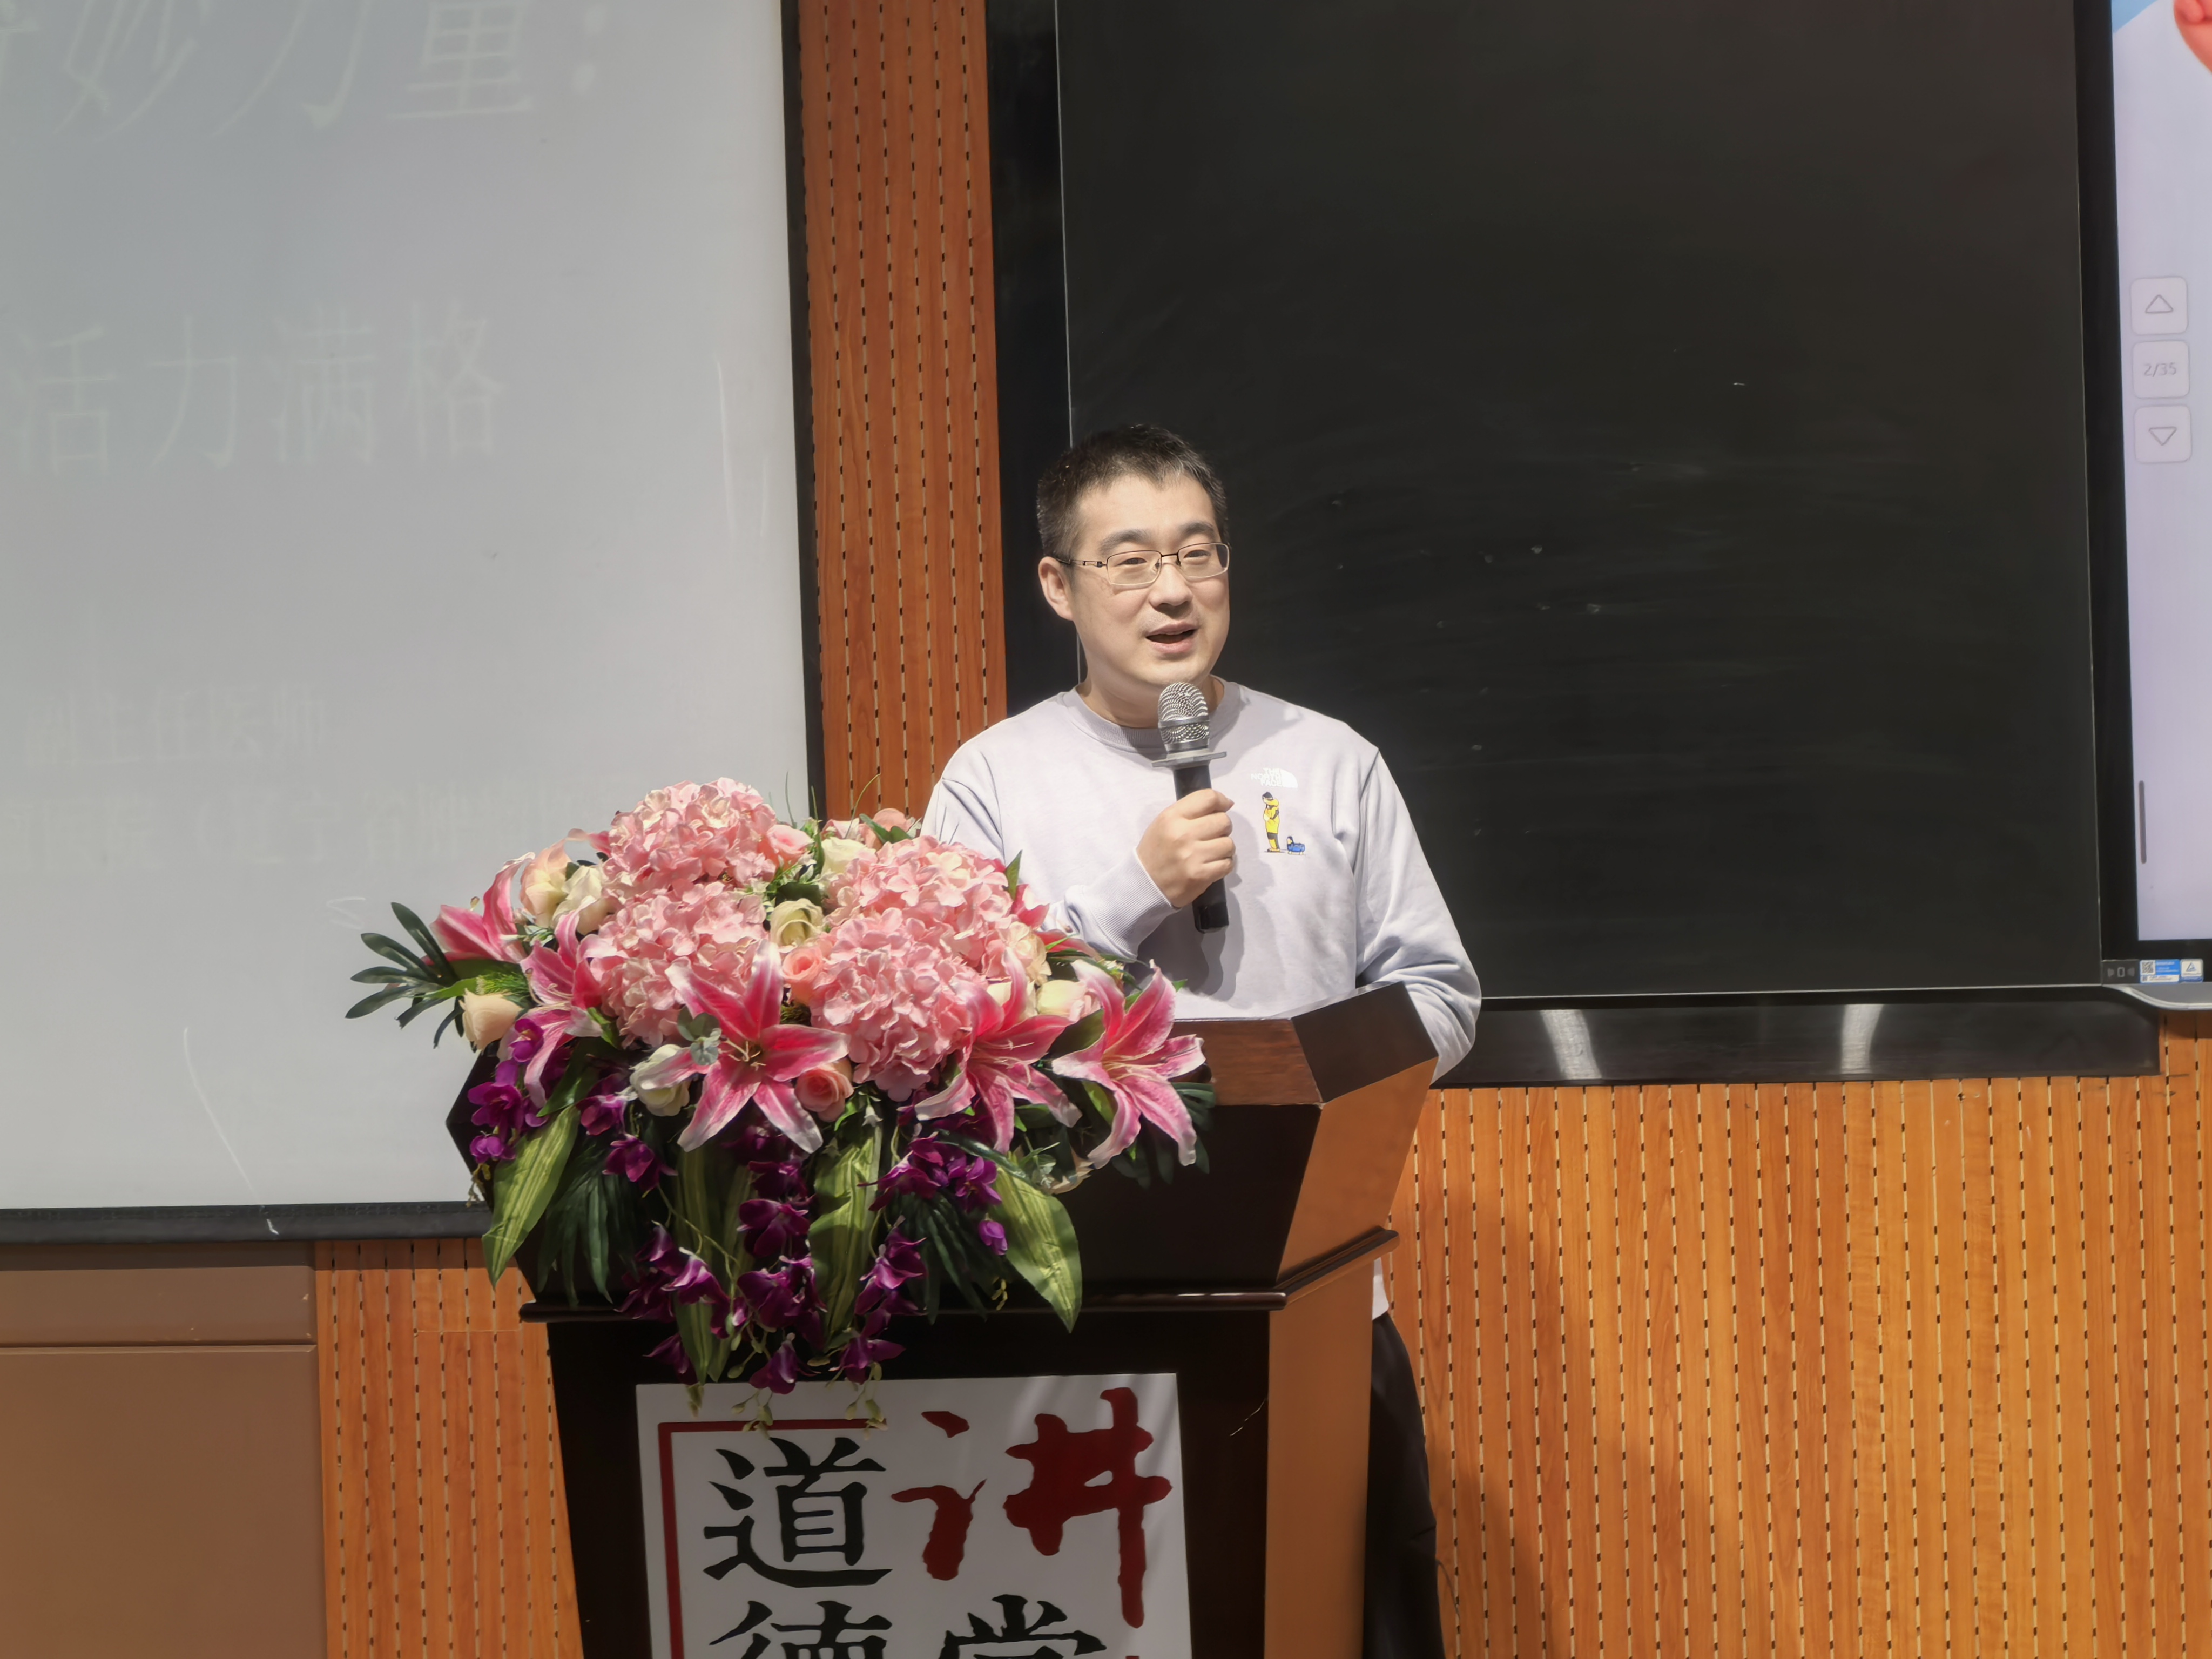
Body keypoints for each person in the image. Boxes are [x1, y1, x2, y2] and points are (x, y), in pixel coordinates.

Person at [921, 423, 1478, 1657]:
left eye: (1197, 554)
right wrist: (1133, 895)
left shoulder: (1328, 762)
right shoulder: (992, 780)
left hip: (1315, 1290)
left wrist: (1308, 1078)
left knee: (1346, 1617)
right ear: (1058, 584)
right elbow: (951, 1032)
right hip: (1070, 1306)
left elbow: (1440, 994)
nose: (1171, 591)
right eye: (1128, 561)